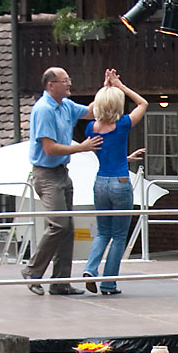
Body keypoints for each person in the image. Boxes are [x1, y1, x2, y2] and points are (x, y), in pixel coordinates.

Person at [22, 66, 111, 295]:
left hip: (62, 172)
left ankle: (60, 282)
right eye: (65, 80)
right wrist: (82, 147)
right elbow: (49, 148)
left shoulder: (66, 106)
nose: (70, 83)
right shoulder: (44, 110)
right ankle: (32, 271)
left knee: (68, 228)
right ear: (51, 85)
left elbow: (92, 111)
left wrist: (106, 89)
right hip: (46, 174)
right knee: (58, 225)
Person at [81, 71, 148, 296]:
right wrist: (120, 86)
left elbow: (107, 153)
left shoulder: (90, 129)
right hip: (120, 181)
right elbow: (143, 103)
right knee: (119, 235)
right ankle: (108, 283)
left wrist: (104, 89)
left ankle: (90, 269)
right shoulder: (123, 124)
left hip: (101, 181)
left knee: (102, 232)